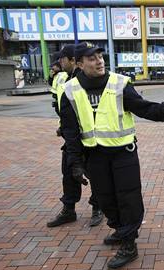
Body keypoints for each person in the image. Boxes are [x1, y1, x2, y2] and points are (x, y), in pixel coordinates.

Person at [59, 42, 164, 270]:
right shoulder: (70, 90)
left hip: (123, 154)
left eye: (100, 56)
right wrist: (75, 163)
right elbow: (70, 132)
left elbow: (144, 109)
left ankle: (129, 243)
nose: (99, 60)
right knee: (104, 199)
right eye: (92, 58)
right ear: (80, 63)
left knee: (128, 198)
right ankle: (120, 230)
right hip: (95, 156)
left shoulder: (119, 84)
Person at [47, 44, 104, 228]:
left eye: (63, 59)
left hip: (91, 140)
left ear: (74, 61)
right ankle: (69, 209)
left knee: (95, 175)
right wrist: (62, 127)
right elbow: (66, 110)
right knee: (70, 172)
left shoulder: (90, 80)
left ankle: (98, 208)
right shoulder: (66, 80)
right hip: (72, 138)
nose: (60, 62)